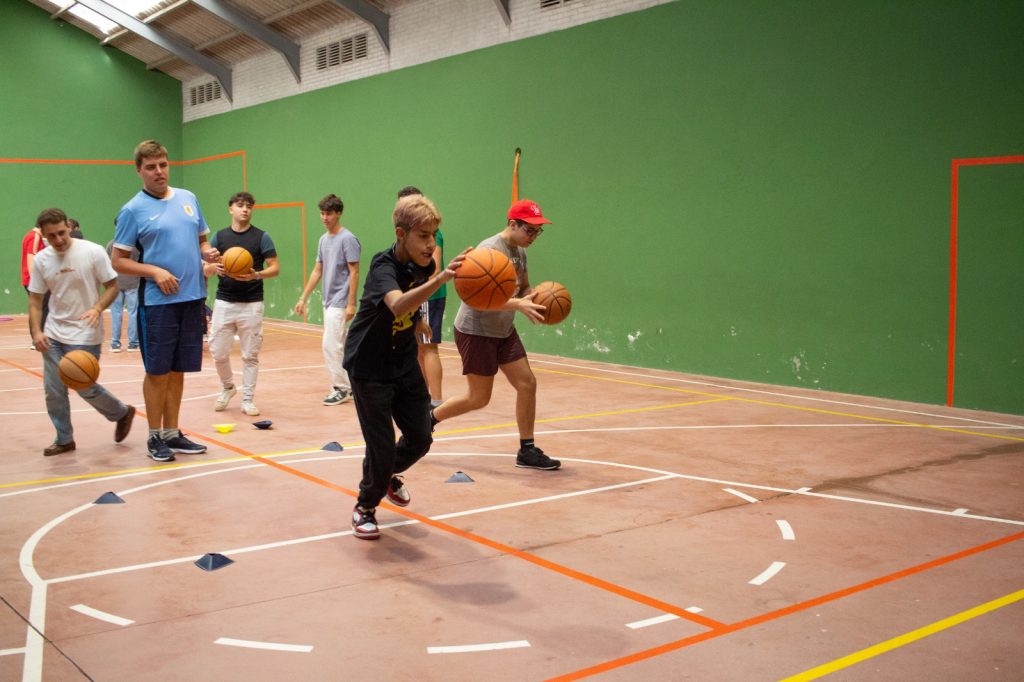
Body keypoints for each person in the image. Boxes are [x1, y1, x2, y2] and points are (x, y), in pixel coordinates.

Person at [343, 193, 467, 539]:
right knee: (382, 446)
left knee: (421, 437)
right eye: (423, 236)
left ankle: (384, 474)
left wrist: (417, 322)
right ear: (401, 234)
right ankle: (365, 507)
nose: (431, 245)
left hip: (402, 360)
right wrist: (439, 281)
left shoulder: (423, 265)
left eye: (434, 236)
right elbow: (397, 304)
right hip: (368, 366)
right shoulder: (383, 266)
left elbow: (407, 310)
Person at [431, 199, 561, 471]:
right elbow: (476, 299)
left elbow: (523, 289)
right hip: (476, 330)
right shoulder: (488, 250)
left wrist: (541, 299)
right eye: (530, 230)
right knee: (478, 398)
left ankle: (527, 450)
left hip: (503, 329)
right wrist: (518, 305)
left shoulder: (520, 252)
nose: (534, 236)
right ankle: (428, 420)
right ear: (513, 224)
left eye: (538, 231)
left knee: (527, 383)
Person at [110, 139, 220, 463]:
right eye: (151, 167)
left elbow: (201, 239)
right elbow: (118, 260)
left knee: (177, 370)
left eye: (163, 165)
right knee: (157, 372)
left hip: (192, 297)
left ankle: (172, 432)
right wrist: (155, 271)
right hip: (158, 303)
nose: (159, 172)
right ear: (139, 171)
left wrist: (207, 252)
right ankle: (154, 436)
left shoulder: (188, 198)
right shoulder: (132, 210)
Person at [28, 208, 136, 456]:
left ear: (69, 226)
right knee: (54, 390)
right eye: (51, 236)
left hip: (86, 332)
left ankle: (121, 412)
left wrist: (97, 308)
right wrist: (36, 331)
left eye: (61, 233)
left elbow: (113, 286)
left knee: (83, 385)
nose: (58, 240)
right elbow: (35, 300)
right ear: (43, 235)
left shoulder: (93, 251)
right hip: (54, 332)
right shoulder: (42, 260)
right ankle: (64, 439)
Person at [205, 191, 279, 416]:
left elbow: (275, 268)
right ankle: (228, 386)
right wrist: (211, 267)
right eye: (240, 205)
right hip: (224, 301)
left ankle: (248, 399)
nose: (245, 209)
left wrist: (257, 275)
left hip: (252, 303)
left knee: (250, 355)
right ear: (231, 209)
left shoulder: (262, 237)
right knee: (218, 352)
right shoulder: (219, 237)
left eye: (249, 206)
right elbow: (206, 267)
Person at [294, 193, 361, 406]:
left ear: (338, 213)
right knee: (338, 345)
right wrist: (303, 298)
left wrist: (351, 303)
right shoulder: (323, 240)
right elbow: (317, 270)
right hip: (328, 301)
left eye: (329, 213)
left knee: (330, 345)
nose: (324, 217)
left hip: (341, 301)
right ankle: (351, 386)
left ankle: (342, 388)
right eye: (322, 213)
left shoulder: (348, 239)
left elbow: (354, 272)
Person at [398, 186, 446, 404]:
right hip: (418, 294)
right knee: (419, 348)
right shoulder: (409, 233)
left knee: (429, 348)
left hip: (428, 296)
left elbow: (435, 269)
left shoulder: (431, 232)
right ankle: (423, 397)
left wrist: (420, 290)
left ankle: (436, 401)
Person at [106, 234, 141, 353]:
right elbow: (140, 262)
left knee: (116, 313)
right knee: (133, 313)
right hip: (133, 283)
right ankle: (133, 344)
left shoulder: (111, 244)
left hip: (116, 283)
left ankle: (115, 344)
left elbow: (107, 263)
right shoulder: (136, 245)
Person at [21, 222, 49, 341]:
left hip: (31, 280)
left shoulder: (30, 235)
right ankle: (38, 336)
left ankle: (36, 337)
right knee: (42, 308)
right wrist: (35, 281)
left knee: (37, 307)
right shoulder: (35, 237)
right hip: (32, 280)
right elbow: (31, 258)